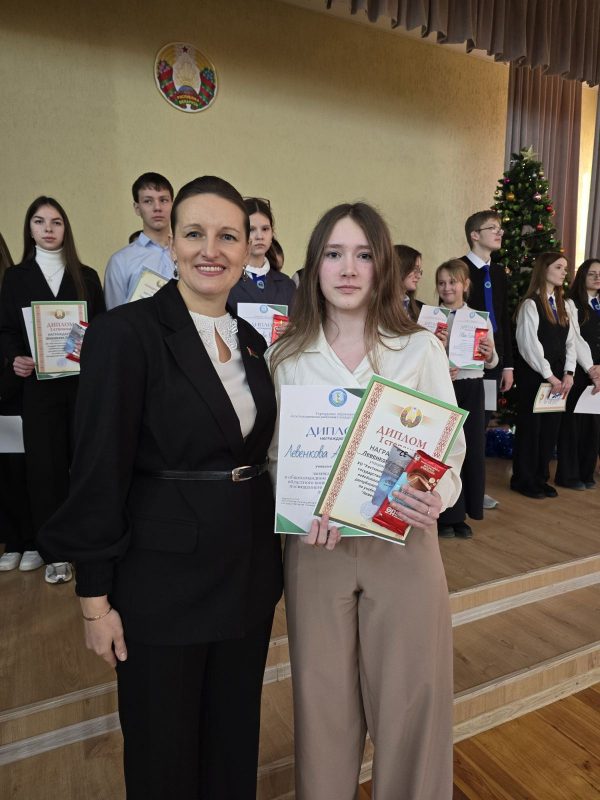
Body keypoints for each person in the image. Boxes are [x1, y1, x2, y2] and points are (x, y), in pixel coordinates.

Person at [38, 176, 283, 799]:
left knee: (232, 744)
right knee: (162, 753)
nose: (211, 250)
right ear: (170, 242)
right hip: (161, 585)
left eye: (228, 236)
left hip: (245, 576)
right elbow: (96, 469)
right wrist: (94, 601)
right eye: (195, 233)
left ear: (248, 247)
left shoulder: (253, 342)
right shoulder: (126, 333)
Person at [268, 202, 465, 800]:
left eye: (363, 255)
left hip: (403, 543)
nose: (348, 269)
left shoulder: (420, 350)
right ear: (314, 266)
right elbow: (275, 457)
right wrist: (296, 504)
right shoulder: (286, 356)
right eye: (334, 254)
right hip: (316, 549)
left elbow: (449, 450)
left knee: (412, 705)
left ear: (383, 267)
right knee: (322, 707)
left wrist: (437, 496)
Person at [0, 198, 105, 583]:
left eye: (56, 221)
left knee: (85, 466)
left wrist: (88, 350)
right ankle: (55, 552)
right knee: (45, 471)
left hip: (81, 387)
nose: (48, 228)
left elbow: (102, 327)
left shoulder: (86, 276)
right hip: (38, 389)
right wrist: (15, 358)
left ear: (66, 228)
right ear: (29, 229)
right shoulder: (16, 277)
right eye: (40, 221)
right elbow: (6, 330)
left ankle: (87, 543)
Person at [435, 259, 497, 539]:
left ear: (465, 284)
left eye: (453, 282)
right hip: (440, 388)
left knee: (470, 449)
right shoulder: (429, 317)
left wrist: (488, 353)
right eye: (441, 282)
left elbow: (493, 360)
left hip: (471, 387)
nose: (447, 287)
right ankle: (445, 515)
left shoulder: (479, 318)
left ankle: (464, 513)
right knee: (445, 450)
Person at [511, 252, 576, 499]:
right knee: (531, 429)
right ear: (544, 269)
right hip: (536, 377)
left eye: (565, 268)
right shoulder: (531, 304)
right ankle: (523, 479)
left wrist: (568, 373)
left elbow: (571, 342)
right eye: (559, 267)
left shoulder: (563, 306)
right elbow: (529, 346)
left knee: (550, 429)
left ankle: (540, 477)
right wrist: (550, 376)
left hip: (558, 379)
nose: (564, 272)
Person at [462, 210, 513, 509]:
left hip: (493, 363)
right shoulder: (461, 269)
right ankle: (459, 492)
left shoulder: (499, 273)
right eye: (492, 228)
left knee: (482, 424)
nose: (499, 233)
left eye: (500, 228)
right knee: (465, 426)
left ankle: (477, 490)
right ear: (474, 235)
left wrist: (507, 364)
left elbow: (503, 319)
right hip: (466, 362)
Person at [0, 233, 36, 572]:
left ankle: (25, 541)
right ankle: (13, 539)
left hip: (9, 397)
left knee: (15, 467)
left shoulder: (13, 286)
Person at [555, 259, 600, 489]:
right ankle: (569, 476)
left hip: (599, 374)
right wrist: (592, 369)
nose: (597, 277)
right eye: (592, 273)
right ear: (582, 276)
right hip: (581, 372)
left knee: (593, 427)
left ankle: (586, 474)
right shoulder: (571, 304)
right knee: (573, 427)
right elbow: (575, 339)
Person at [104, 172, 175, 309]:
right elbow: (114, 315)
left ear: (173, 205)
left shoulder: (188, 253)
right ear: (137, 208)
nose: (157, 208)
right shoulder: (120, 261)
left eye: (163, 200)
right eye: (148, 201)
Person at [227, 197, 295, 313]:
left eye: (265, 229)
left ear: (272, 233)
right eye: (251, 229)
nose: (260, 236)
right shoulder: (226, 282)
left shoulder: (287, 285)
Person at [394, 243, 423, 321]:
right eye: (415, 269)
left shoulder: (417, 307)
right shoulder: (377, 307)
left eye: (420, 271)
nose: (419, 276)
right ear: (399, 268)